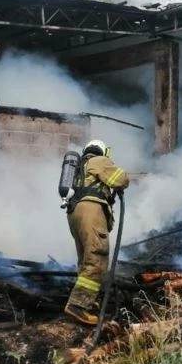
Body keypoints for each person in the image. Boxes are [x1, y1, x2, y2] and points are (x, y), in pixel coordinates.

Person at [63, 139, 130, 325]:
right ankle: (77, 305)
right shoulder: (98, 160)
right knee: (97, 258)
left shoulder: (80, 168)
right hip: (91, 211)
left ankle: (88, 301)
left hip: (74, 213)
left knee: (85, 259)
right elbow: (121, 179)